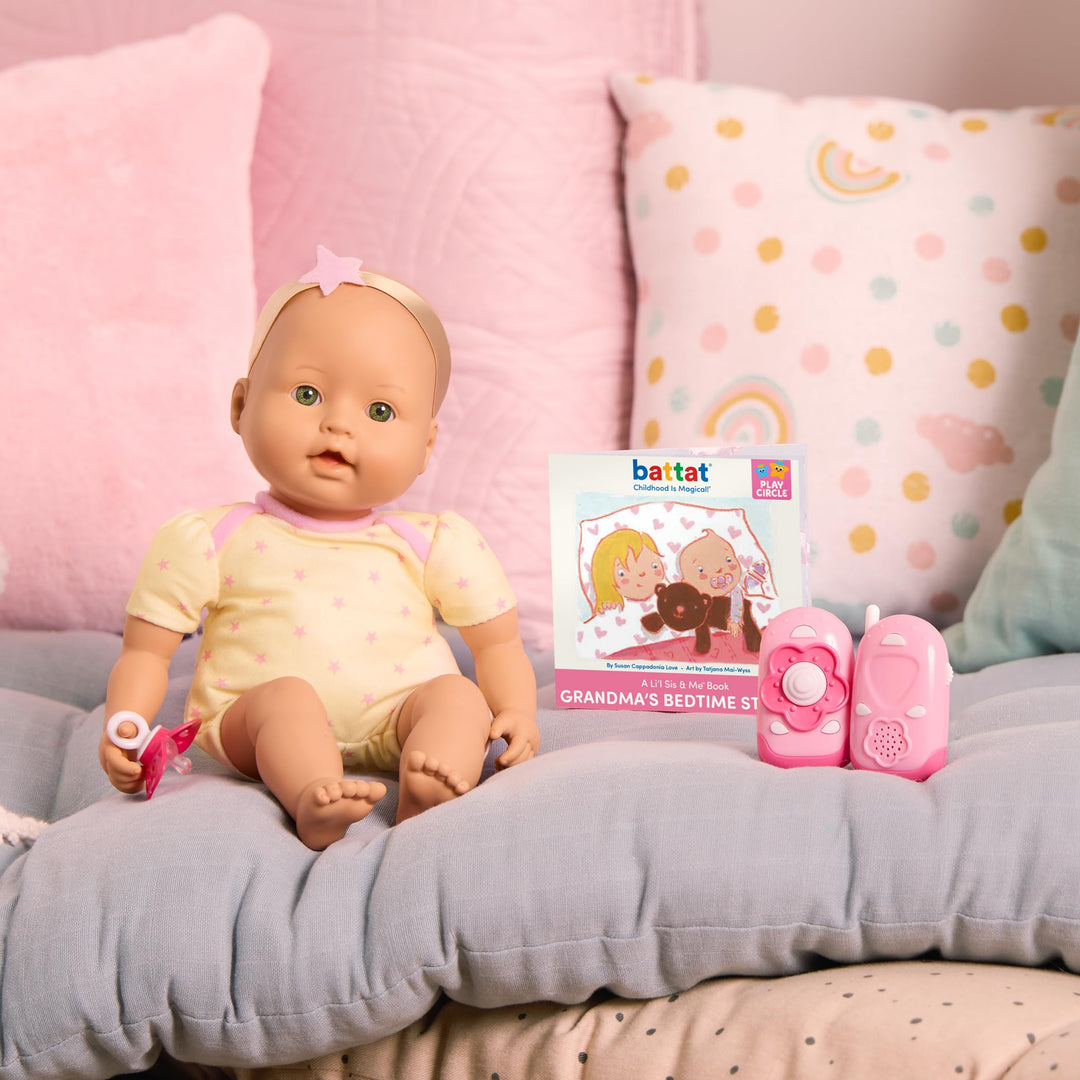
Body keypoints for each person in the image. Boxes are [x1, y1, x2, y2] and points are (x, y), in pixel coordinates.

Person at [99, 246, 539, 849]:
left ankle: (432, 781)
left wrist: (516, 708)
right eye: (307, 395)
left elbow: (496, 640)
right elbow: (146, 652)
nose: (340, 425)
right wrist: (124, 726)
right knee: (285, 699)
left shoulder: (430, 543)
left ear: (426, 447)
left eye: (380, 410)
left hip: (396, 711)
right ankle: (312, 796)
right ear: (240, 404)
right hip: (252, 721)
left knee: (458, 696)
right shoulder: (212, 539)